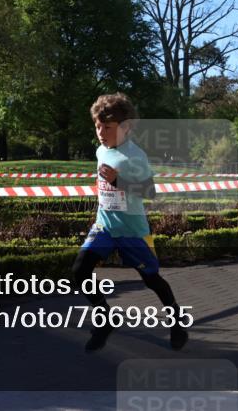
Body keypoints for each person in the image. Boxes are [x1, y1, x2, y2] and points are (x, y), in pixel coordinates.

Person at [71, 92, 188, 352]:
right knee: (80, 271)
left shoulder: (135, 156)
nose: (101, 132)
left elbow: (150, 192)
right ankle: (105, 319)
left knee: (151, 279)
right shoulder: (101, 150)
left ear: (125, 127)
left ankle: (177, 321)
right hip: (105, 225)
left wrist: (116, 182)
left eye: (107, 127)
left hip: (132, 230)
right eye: (97, 126)